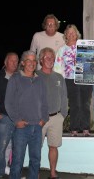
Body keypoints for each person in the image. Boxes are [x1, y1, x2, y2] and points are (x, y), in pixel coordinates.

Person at [5, 50, 49, 179]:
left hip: (37, 127)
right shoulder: (15, 78)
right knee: (17, 160)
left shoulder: (40, 80)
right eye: (28, 60)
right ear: (23, 63)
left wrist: (44, 119)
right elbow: (8, 102)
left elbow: (45, 102)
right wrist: (17, 120)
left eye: (34, 61)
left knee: (35, 160)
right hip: (21, 128)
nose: (31, 63)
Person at [54, 24, 92, 137]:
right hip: (69, 80)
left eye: (73, 32)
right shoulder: (61, 50)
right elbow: (57, 67)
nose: (71, 34)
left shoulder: (84, 47)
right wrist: (60, 82)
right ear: (66, 35)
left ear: (77, 34)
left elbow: (92, 62)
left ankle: (86, 128)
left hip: (85, 79)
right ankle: (74, 129)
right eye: (69, 33)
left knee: (85, 104)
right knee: (74, 104)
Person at [37, 47, 68, 179]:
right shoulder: (35, 76)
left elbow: (64, 97)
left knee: (53, 147)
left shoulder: (59, 77)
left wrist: (63, 115)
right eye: (47, 57)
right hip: (39, 119)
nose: (50, 60)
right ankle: (35, 174)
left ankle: (53, 173)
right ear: (41, 60)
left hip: (56, 118)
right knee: (36, 148)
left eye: (52, 57)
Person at [0, 52, 19, 178]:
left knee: (16, 148)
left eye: (16, 61)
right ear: (5, 62)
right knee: (0, 148)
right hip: (4, 117)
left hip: (18, 118)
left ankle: (13, 173)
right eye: (11, 61)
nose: (14, 63)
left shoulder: (20, 77)